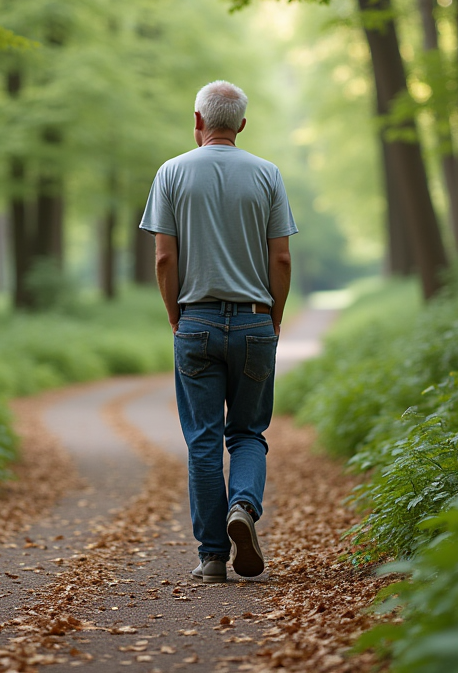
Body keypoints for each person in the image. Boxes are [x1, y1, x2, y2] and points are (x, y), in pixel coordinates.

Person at [139, 80, 297, 583]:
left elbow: (165, 257)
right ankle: (244, 508)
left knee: (202, 440)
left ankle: (211, 556)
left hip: (196, 319)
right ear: (242, 125)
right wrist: (271, 317)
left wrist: (174, 315)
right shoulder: (268, 174)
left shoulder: (171, 173)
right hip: (254, 318)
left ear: (198, 121)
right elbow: (282, 257)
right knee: (248, 432)